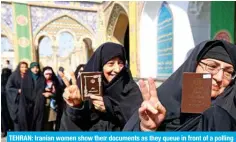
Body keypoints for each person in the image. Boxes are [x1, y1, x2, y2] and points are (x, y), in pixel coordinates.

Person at [123, 40, 236, 131]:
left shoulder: (231, 107)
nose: (219, 77)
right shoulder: (160, 103)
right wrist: (147, 130)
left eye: (228, 72)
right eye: (211, 67)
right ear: (193, 66)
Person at [60, 42, 143, 131]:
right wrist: (76, 106)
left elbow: (139, 123)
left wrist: (110, 108)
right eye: (111, 64)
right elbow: (73, 126)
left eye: (120, 63)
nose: (117, 69)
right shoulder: (86, 89)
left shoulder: (131, 89)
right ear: (100, 66)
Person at [15, 62, 46, 131]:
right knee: (28, 119)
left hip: (38, 102)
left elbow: (42, 89)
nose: (35, 69)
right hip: (27, 103)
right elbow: (24, 90)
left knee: (38, 120)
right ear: (31, 69)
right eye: (33, 68)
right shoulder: (26, 77)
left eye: (37, 68)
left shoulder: (42, 78)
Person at [6, 61, 28, 131]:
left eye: (25, 67)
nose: (24, 68)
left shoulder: (29, 75)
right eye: (22, 67)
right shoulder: (14, 75)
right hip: (17, 102)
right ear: (19, 68)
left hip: (27, 101)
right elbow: (8, 88)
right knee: (18, 122)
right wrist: (17, 91)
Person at [42, 66, 63, 131]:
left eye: (50, 74)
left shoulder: (55, 81)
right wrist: (43, 92)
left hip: (53, 106)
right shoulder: (40, 81)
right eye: (46, 74)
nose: (48, 76)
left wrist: (52, 94)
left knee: (52, 122)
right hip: (43, 105)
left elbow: (59, 92)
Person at [1, 68, 12, 137]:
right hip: (4, 100)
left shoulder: (11, 80)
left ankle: (6, 130)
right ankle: (5, 130)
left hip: (9, 100)